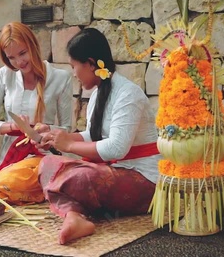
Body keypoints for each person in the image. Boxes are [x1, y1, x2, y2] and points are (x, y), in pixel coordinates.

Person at [37, 28, 161, 244]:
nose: (74, 73)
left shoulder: (128, 94)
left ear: (91, 64)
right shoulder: (98, 93)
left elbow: (116, 148)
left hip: (145, 180)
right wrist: (57, 136)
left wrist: (68, 145)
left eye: (74, 66)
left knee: (82, 178)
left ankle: (73, 213)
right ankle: (74, 217)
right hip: (113, 172)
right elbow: (92, 135)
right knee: (47, 164)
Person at [0, 22, 73, 204]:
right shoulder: (4, 75)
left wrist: (48, 129)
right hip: (11, 157)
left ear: (33, 45)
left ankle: (47, 187)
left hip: (44, 155)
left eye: (22, 53)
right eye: (11, 58)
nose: (18, 62)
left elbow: (67, 128)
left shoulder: (61, 77)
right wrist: (10, 127)